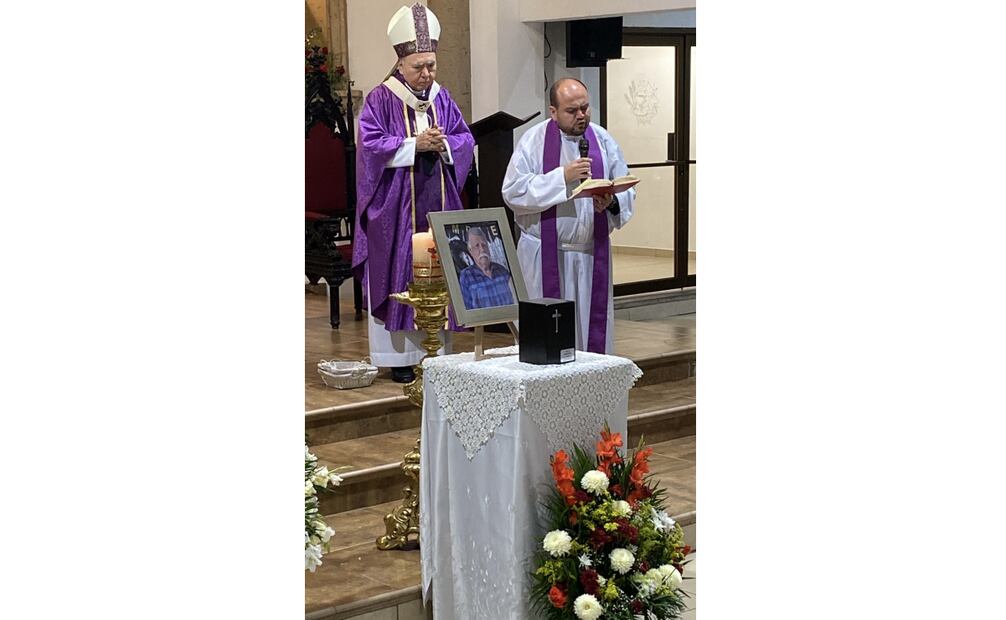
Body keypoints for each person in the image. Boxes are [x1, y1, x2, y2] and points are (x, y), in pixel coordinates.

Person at [352, 3, 475, 383]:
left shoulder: (442, 97)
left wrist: (445, 145)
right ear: (401, 63)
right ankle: (400, 357)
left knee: (440, 271)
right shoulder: (381, 98)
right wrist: (413, 145)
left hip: (436, 205)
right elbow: (370, 145)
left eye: (431, 65)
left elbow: (465, 138)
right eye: (419, 66)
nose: (426, 74)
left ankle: (438, 354)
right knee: (400, 275)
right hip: (396, 208)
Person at [502, 78, 635, 354]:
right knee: (546, 340)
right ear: (553, 111)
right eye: (572, 111)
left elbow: (625, 186)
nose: (581, 116)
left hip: (590, 255)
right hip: (546, 258)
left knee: (590, 337)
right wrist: (562, 177)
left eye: (585, 108)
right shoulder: (533, 141)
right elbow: (513, 191)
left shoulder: (603, 139)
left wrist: (611, 203)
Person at [458, 227, 515, 310]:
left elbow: (516, 302)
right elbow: (466, 311)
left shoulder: (502, 271)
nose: (482, 249)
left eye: (484, 245)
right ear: (470, 251)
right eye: (477, 246)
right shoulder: (466, 276)